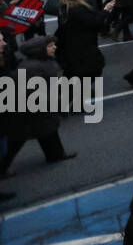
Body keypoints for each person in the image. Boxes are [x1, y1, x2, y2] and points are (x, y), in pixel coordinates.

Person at [0, 36, 77, 175]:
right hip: (27, 111)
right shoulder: (33, 68)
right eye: (50, 46)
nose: (54, 47)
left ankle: (55, 155)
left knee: (48, 131)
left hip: (33, 110)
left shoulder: (39, 63)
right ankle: (2, 169)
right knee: (16, 140)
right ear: (40, 50)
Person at [56, 0, 114, 85]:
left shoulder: (73, 6)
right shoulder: (77, 9)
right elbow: (94, 22)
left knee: (77, 71)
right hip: (82, 45)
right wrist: (106, 10)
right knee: (89, 70)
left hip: (78, 44)